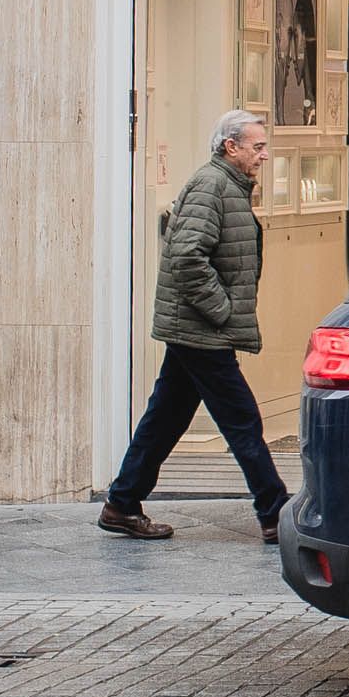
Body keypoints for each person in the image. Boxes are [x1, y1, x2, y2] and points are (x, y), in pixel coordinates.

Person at [99, 108, 291, 543]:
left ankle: (122, 503)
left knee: (165, 418)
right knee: (242, 420)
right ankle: (274, 511)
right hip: (201, 331)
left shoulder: (228, 186)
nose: (263, 155)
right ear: (231, 146)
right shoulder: (212, 186)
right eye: (257, 147)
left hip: (195, 329)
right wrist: (221, 311)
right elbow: (187, 256)